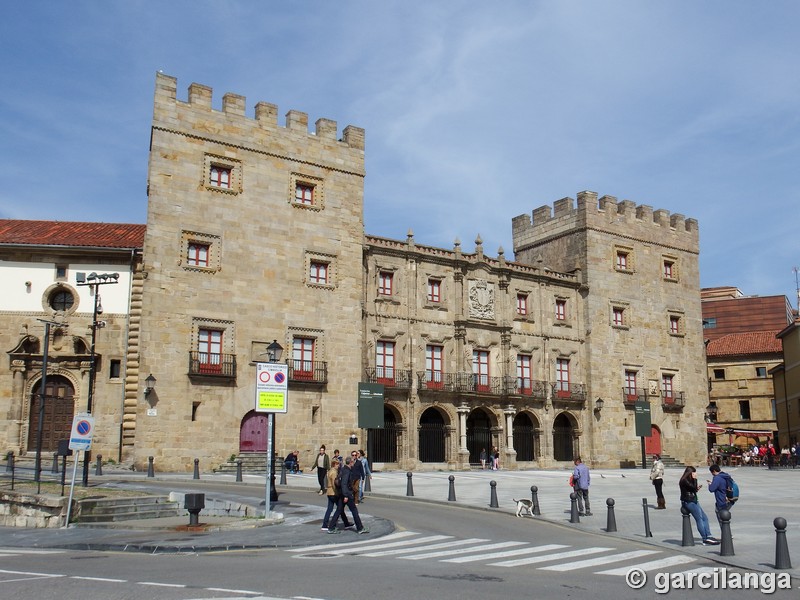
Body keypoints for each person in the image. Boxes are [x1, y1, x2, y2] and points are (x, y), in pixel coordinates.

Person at [327, 456, 369, 534]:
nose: (353, 463)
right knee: (354, 510)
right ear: (350, 463)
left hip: (342, 494)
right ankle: (360, 528)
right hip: (346, 495)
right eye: (353, 461)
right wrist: (346, 495)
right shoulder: (347, 471)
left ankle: (331, 527)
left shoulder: (343, 469)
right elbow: (344, 484)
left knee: (339, 510)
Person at [679, 466, 719, 545]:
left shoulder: (687, 480)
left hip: (693, 500)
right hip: (689, 501)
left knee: (705, 518)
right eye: (693, 473)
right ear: (690, 473)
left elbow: (693, 489)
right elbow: (692, 487)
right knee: (699, 518)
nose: (695, 474)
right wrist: (695, 479)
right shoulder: (684, 480)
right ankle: (705, 538)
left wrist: (696, 489)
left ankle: (709, 535)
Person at [321, 458, 352, 531]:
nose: (339, 465)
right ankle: (345, 523)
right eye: (337, 464)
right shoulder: (334, 472)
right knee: (339, 509)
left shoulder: (330, 471)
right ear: (334, 464)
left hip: (329, 492)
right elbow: (335, 484)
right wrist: (338, 492)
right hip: (333, 493)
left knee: (331, 509)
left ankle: (325, 525)